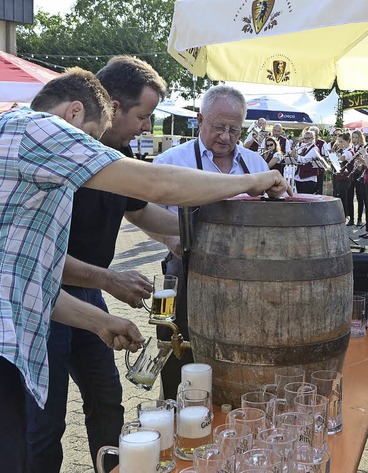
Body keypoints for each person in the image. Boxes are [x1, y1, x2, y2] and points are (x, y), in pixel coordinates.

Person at [0, 67, 289, 473]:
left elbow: (29, 275)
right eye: (90, 137)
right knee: (34, 432)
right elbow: (158, 186)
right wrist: (254, 181)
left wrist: (99, 320)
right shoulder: (38, 130)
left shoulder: (28, 151)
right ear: (74, 114)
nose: (92, 149)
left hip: (34, 313)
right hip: (11, 340)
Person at [24, 55, 179, 473]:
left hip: (88, 291)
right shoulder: (60, 157)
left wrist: (186, 240)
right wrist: (109, 279)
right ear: (110, 105)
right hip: (44, 299)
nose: (147, 127)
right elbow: (42, 261)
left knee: (107, 398)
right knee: (45, 419)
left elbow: (141, 209)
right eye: (143, 116)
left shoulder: (117, 150)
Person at [151, 84, 269, 400]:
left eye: (235, 129)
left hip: (246, 279)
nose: (226, 137)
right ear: (201, 119)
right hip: (185, 270)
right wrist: (171, 239)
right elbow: (143, 211)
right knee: (179, 349)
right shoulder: (170, 161)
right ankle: (178, 412)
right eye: (219, 127)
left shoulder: (255, 164)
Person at [292, 129, 321, 194]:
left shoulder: (315, 149)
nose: (306, 140)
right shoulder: (304, 147)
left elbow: (304, 160)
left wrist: (296, 156)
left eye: (308, 138)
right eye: (305, 138)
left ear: (313, 138)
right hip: (299, 177)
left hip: (309, 178)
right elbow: (298, 160)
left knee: (306, 198)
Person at [350, 130, 367, 226]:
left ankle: (359, 219)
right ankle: (351, 218)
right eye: (353, 137)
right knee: (350, 196)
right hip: (352, 175)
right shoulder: (351, 148)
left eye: (356, 137)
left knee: (360, 197)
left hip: (359, 174)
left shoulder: (362, 148)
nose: (354, 139)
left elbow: (362, 163)